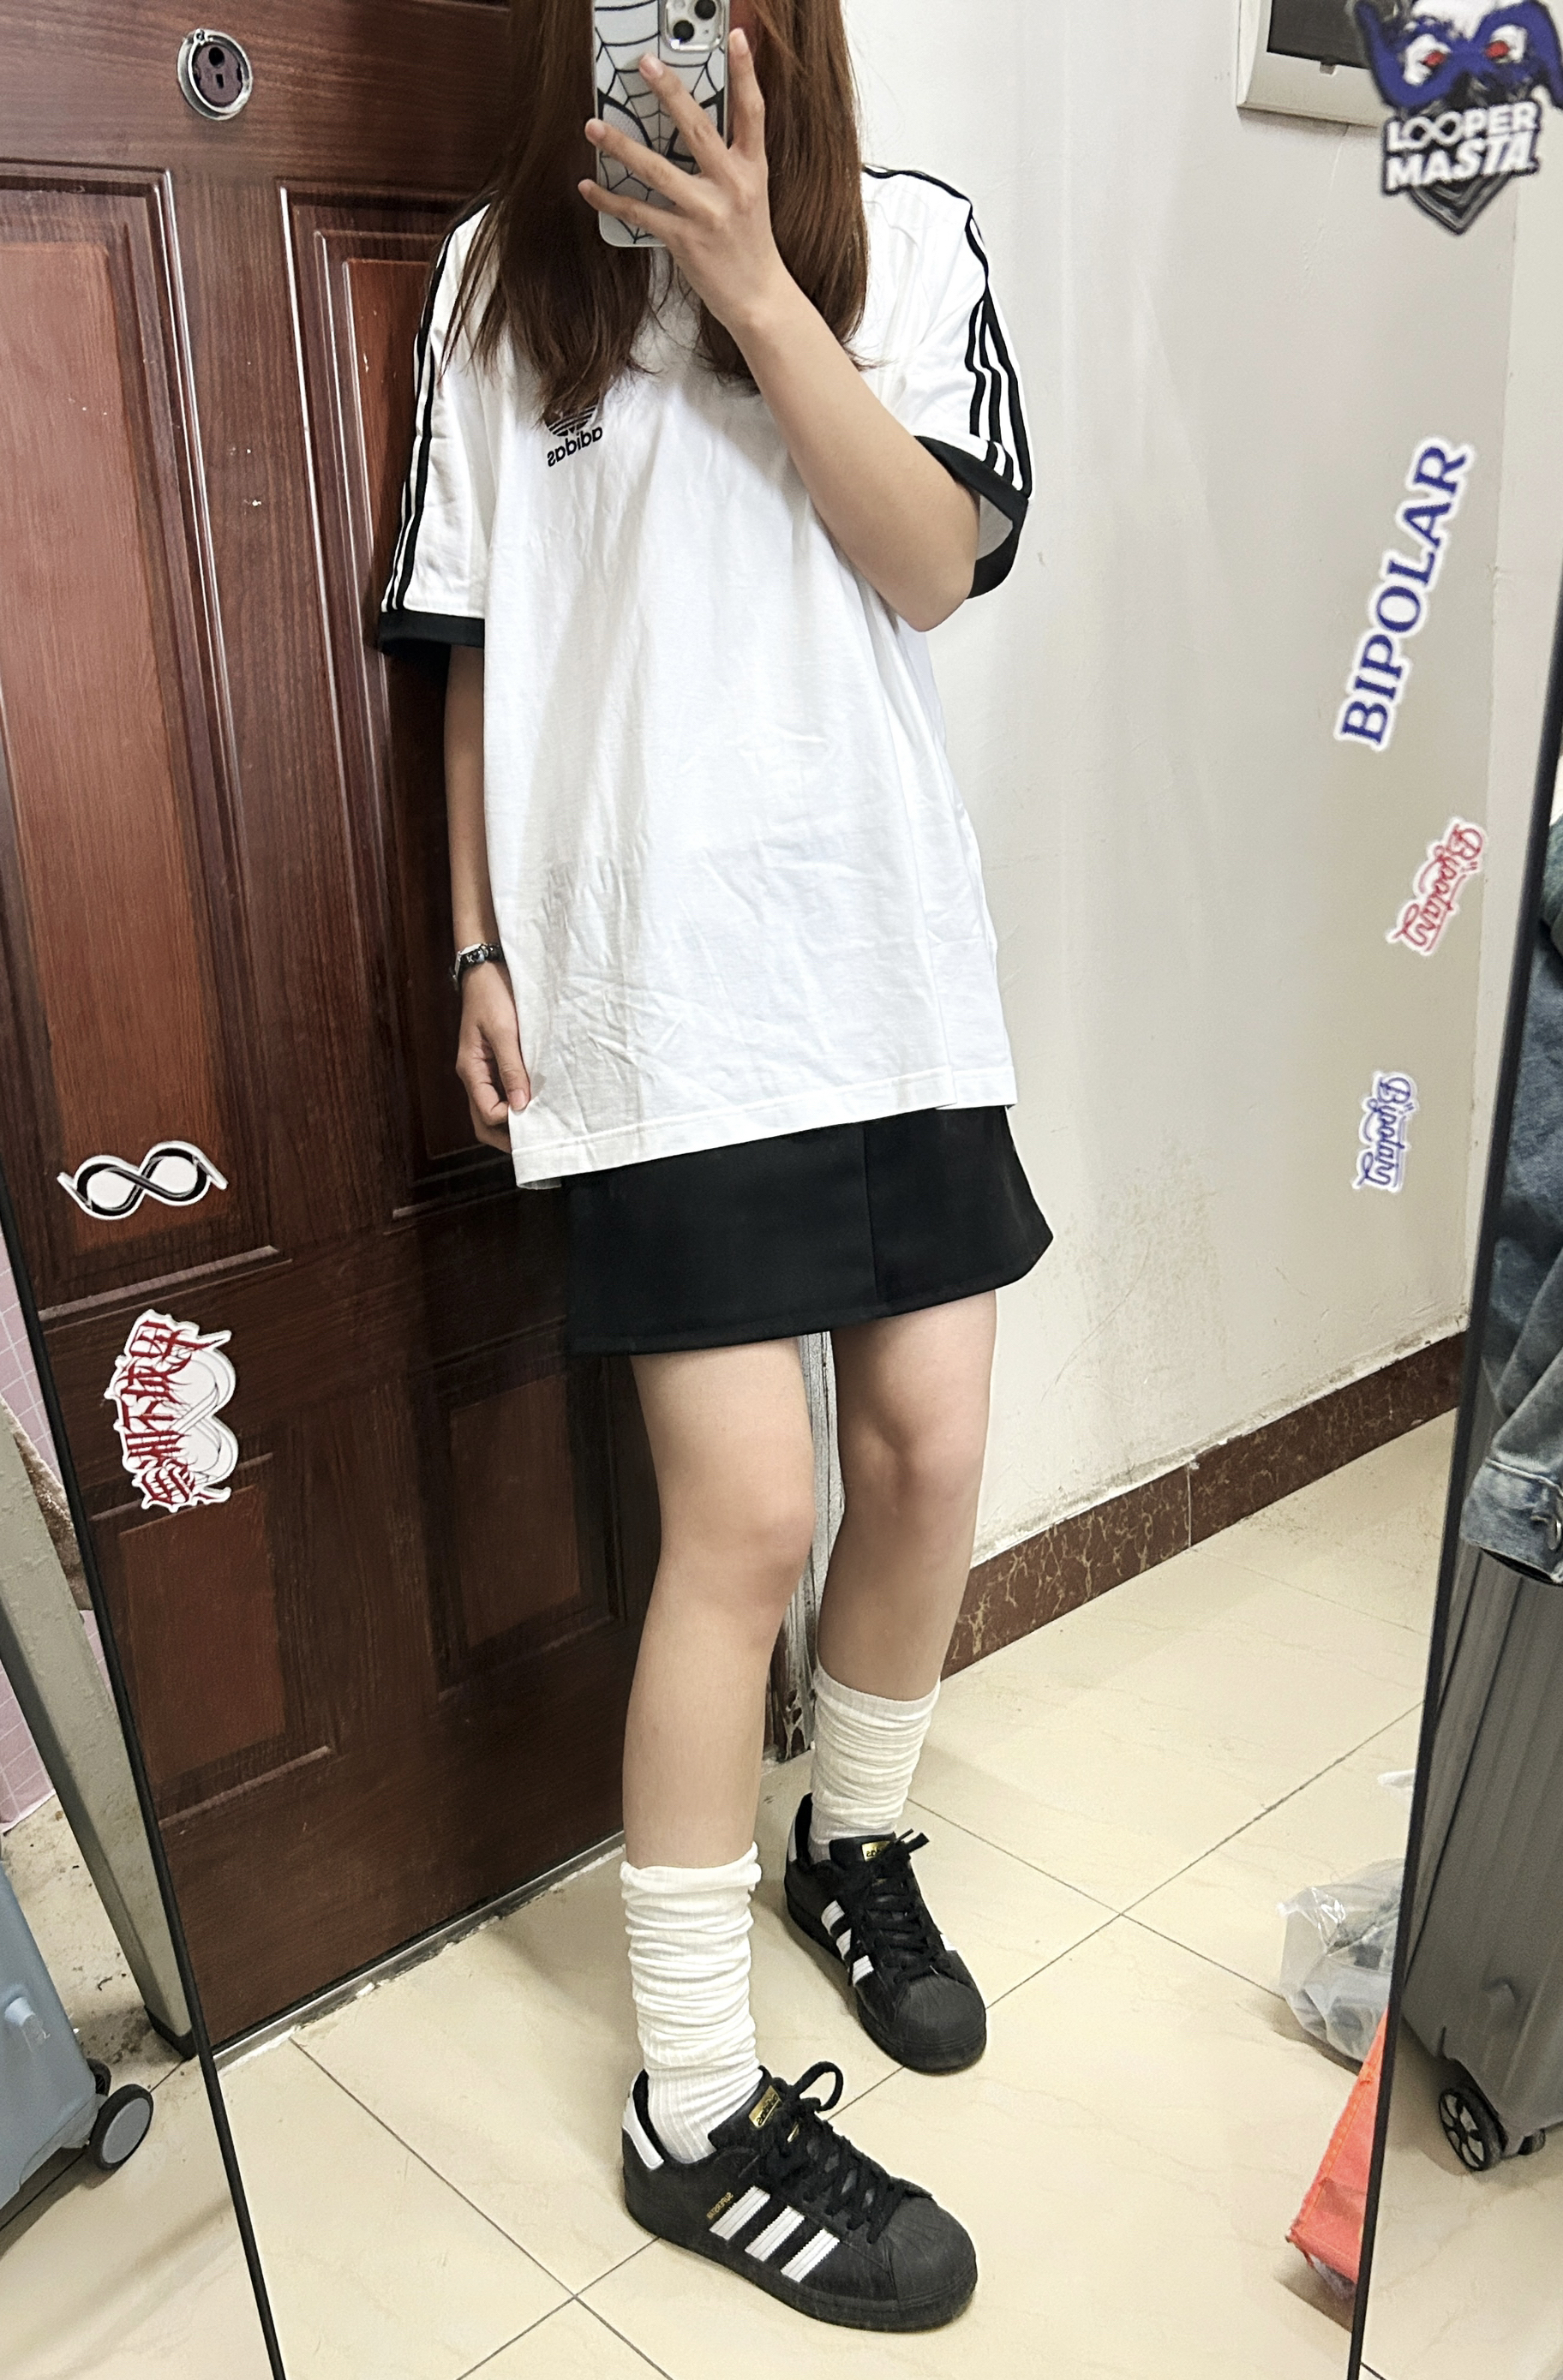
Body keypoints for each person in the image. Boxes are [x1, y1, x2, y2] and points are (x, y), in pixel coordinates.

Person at [380, 0, 1048, 2333]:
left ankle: (852, 1840)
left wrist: (761, 282)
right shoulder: (502, 279)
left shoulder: (917, 241)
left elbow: (933, 564)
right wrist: (474, 938)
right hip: (658, 994)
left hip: (883, 954)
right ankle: (688, 2099)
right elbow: (474, 648)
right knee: (746, 1523)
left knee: (929, 1447)